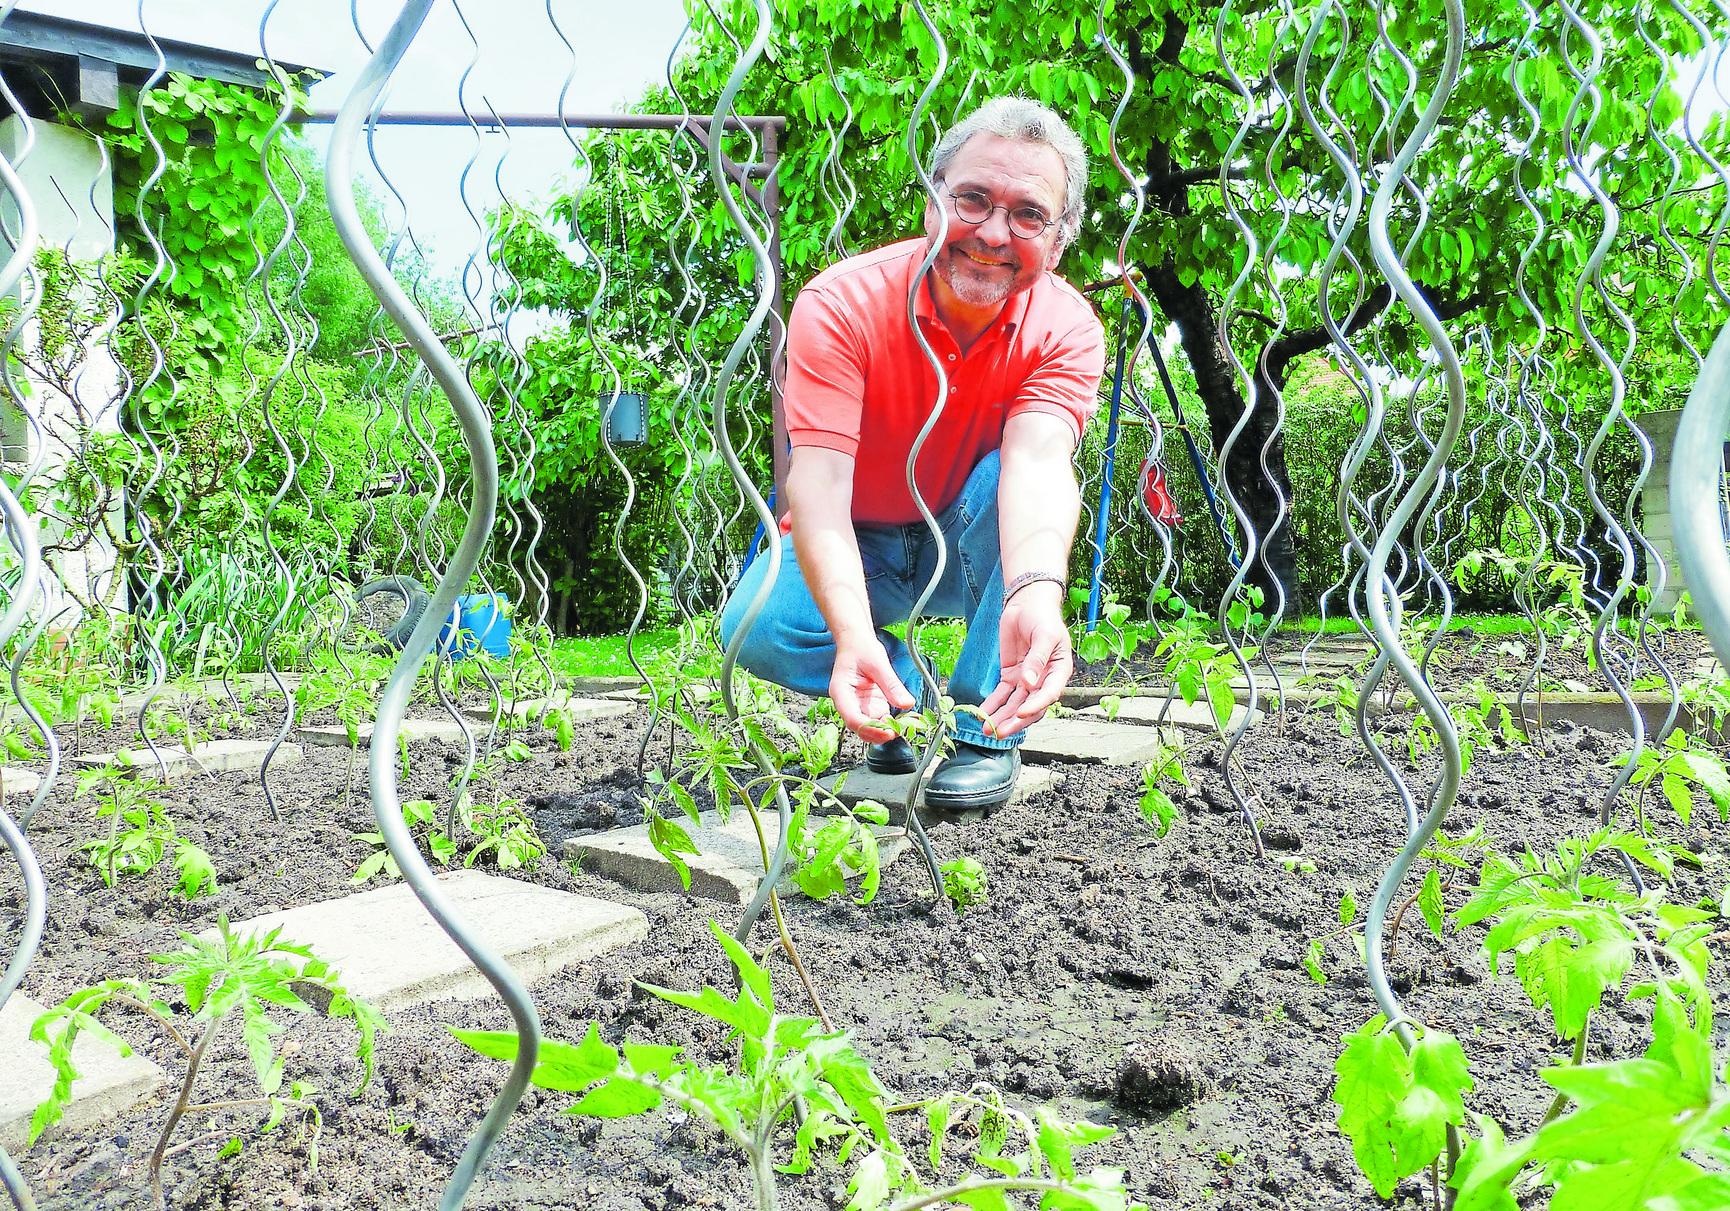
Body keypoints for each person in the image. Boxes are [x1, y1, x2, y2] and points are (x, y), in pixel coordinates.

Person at [719, 96, 1105, 812]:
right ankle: (899, 692)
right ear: (932, 205)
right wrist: (852, 632)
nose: (993, 233)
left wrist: (1037, 593)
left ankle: (984, 727)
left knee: (1003, 481)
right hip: (852, 537)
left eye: (1028, 214)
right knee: (755, 627)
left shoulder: (1068, 328)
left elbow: (1039, 465)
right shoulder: (841, 303)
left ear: (1057, 242)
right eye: (973, 199)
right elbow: (820, 481)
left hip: (958, 538)